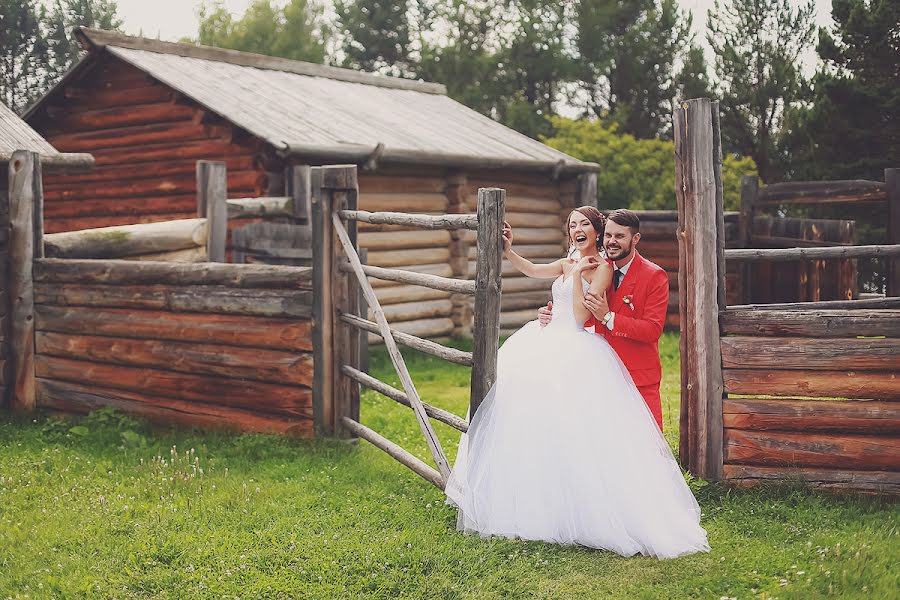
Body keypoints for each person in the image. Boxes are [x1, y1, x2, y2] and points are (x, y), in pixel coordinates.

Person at [444, 206, 709, 558]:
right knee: (535, 422)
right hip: (546, 340)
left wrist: (579, 279)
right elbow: (536, 271)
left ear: (597, 231)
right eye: (572, 224)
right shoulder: (570, 259)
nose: (577, 229)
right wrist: (509, 252)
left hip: (577, 347)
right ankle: (536, 499)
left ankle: (600, 507)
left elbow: (583, 315)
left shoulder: (600, 268)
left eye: (584, 224)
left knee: (588, 432)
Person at [539, 209, 669, 430]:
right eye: (608, 235)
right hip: (600, 373)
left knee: (647, 446)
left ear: (635, 238)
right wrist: (554, 315)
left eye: (619, 236)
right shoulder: (598, 268)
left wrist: (609, 318)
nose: (612, 242)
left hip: (637, 376)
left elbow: (652, 330)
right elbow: (586, 317)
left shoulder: (654, 275)